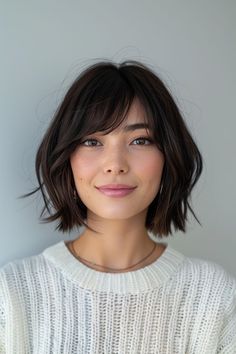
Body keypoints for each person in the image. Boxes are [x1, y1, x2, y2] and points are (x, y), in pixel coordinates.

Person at [0, 60, 235, 353]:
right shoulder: (11, 295)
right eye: (92, 141)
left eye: (139, 140)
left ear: (168, 155)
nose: (115, 165)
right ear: (66, 156)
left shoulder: (215, 297)